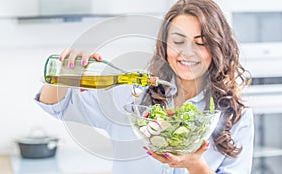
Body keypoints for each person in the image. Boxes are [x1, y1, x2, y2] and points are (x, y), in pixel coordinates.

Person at [35, 0, 254, 173]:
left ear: (217, 47)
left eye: (201, 42)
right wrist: (61, 75)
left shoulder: (236, 116)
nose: (188, 52)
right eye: (178, 42)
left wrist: (195, 165)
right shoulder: (131, 96)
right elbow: (58, 105)